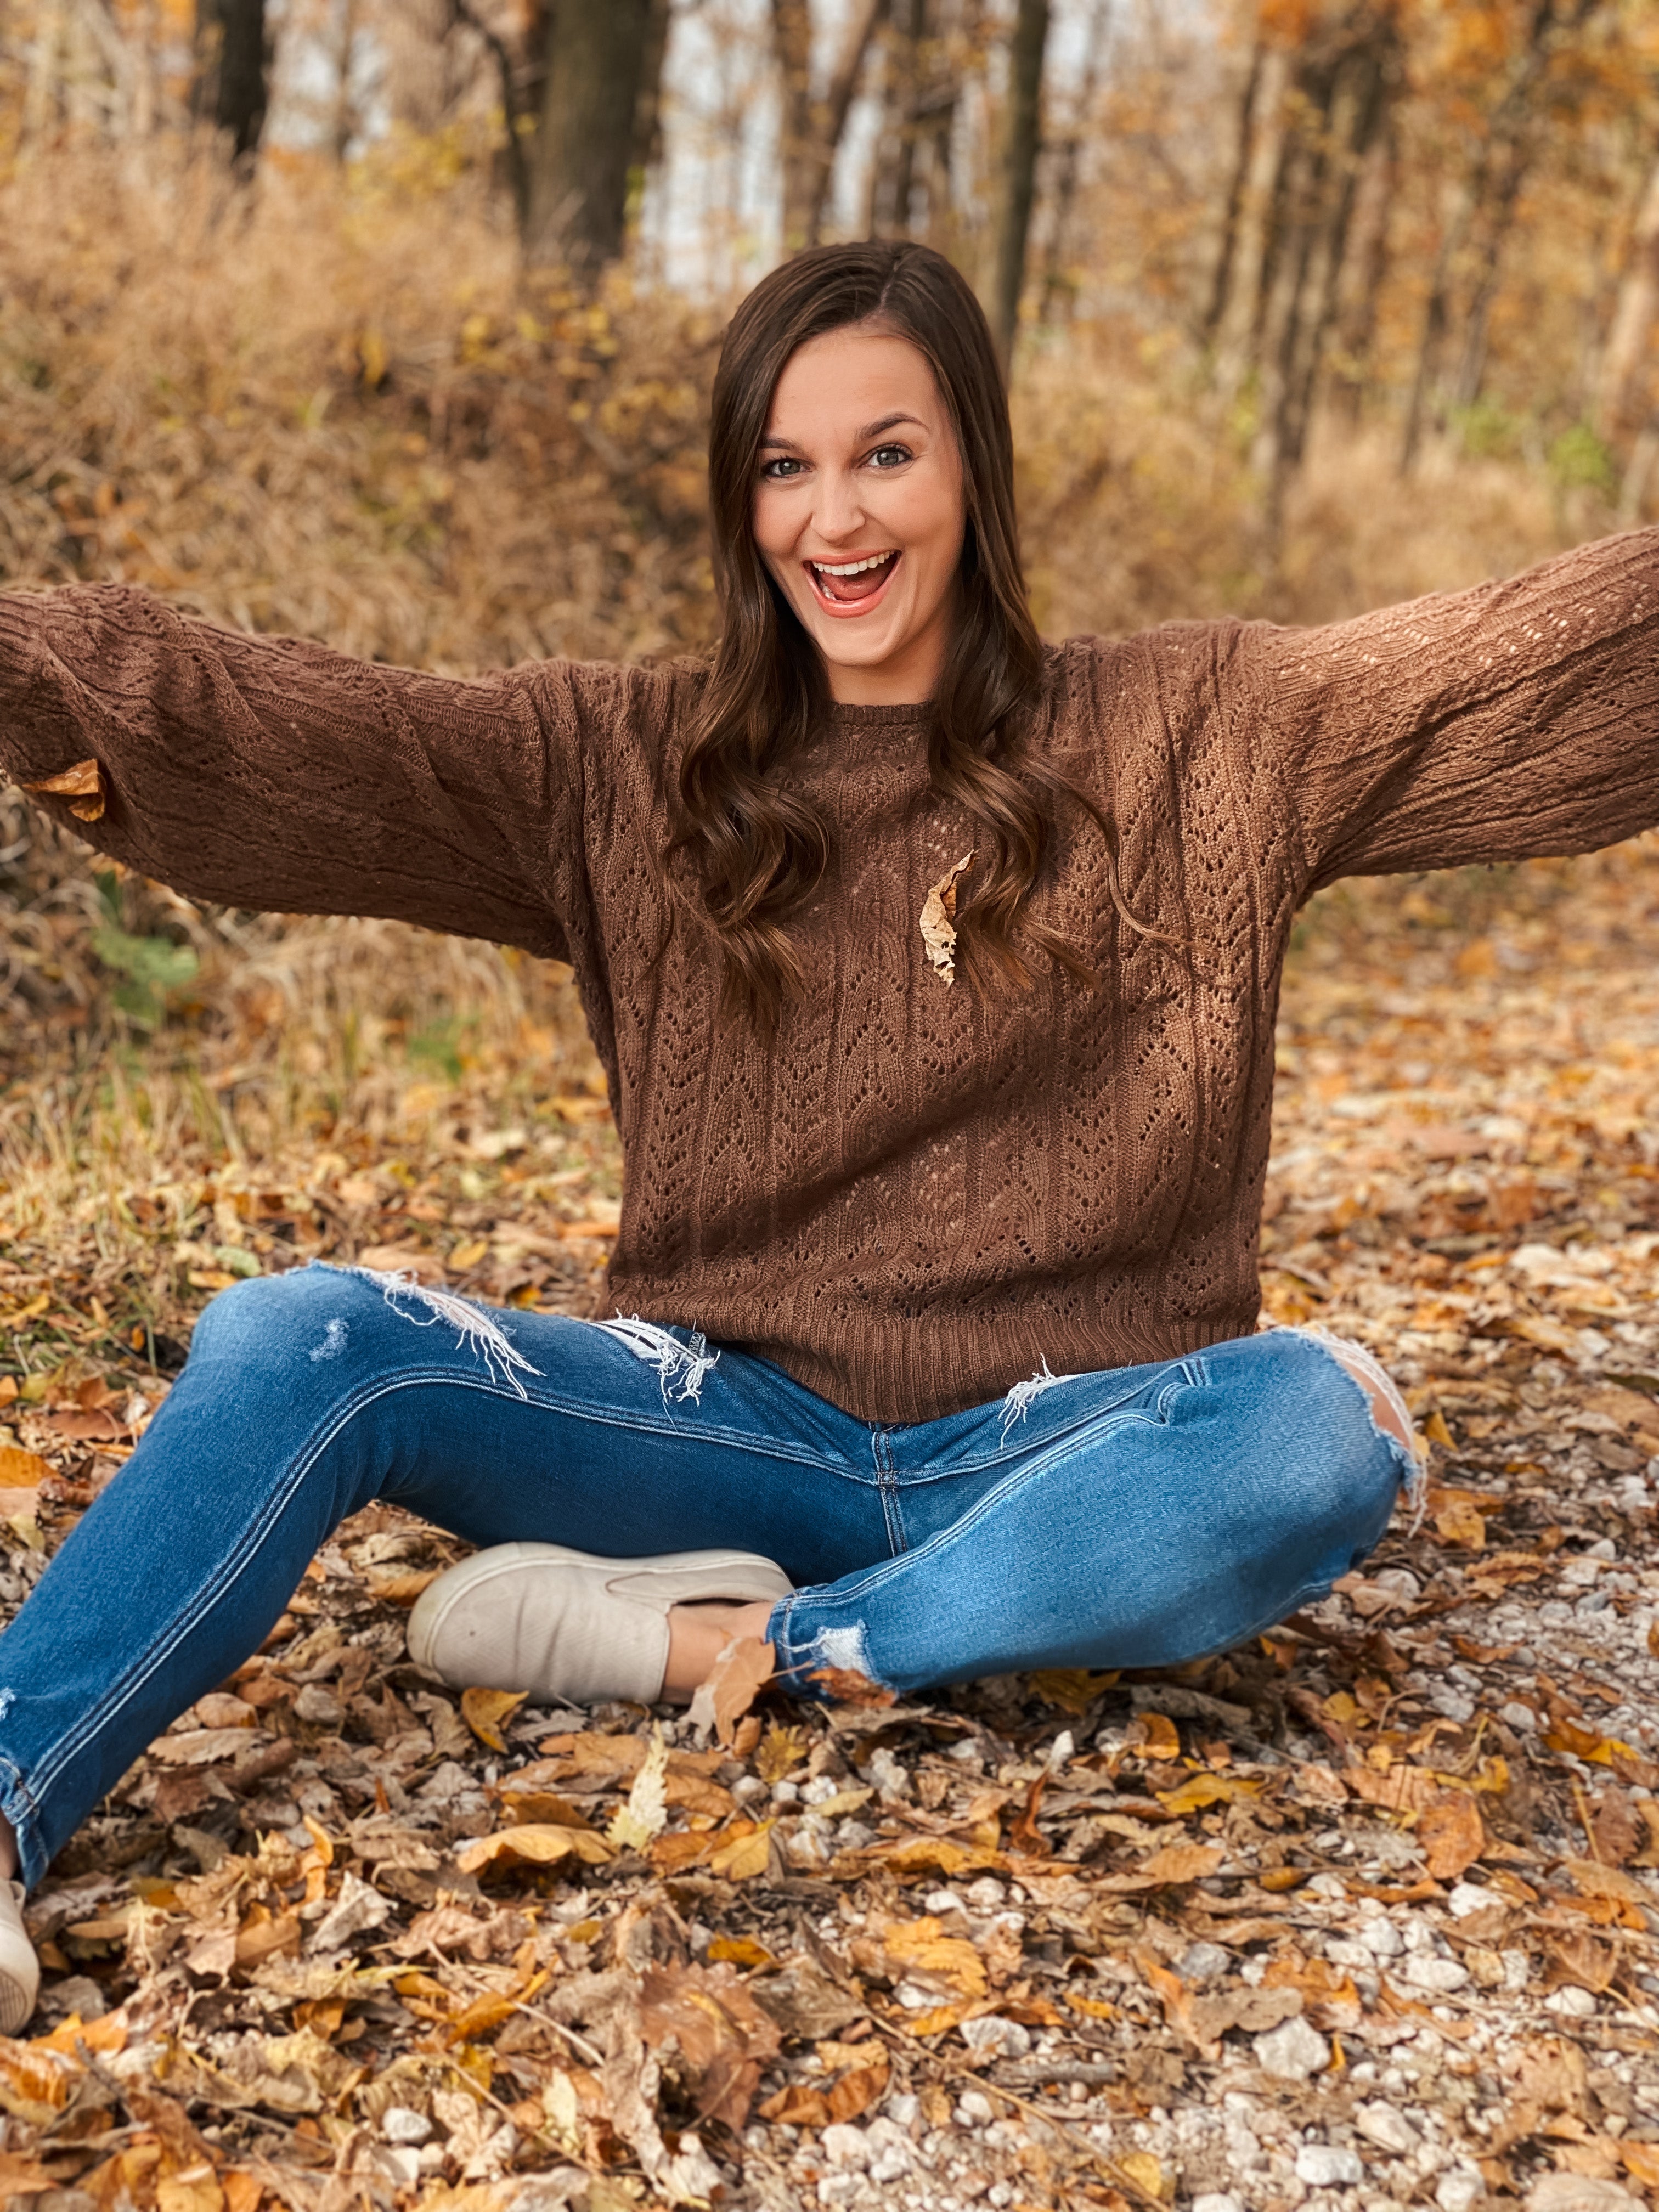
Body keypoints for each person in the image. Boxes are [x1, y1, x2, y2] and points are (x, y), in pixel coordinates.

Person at [0, 238, 1653, 2032]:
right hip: (716, 1422)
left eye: (887, 453)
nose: (834, 519)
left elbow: (1543, 664)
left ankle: (742, 1649)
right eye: (784, 467)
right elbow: (307, 738)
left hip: (1056, 1444)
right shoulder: (623, 766)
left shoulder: (1206, 732)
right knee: (295, 1336)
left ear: (976, 470)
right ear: (739, 500)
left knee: (1322, 1424)